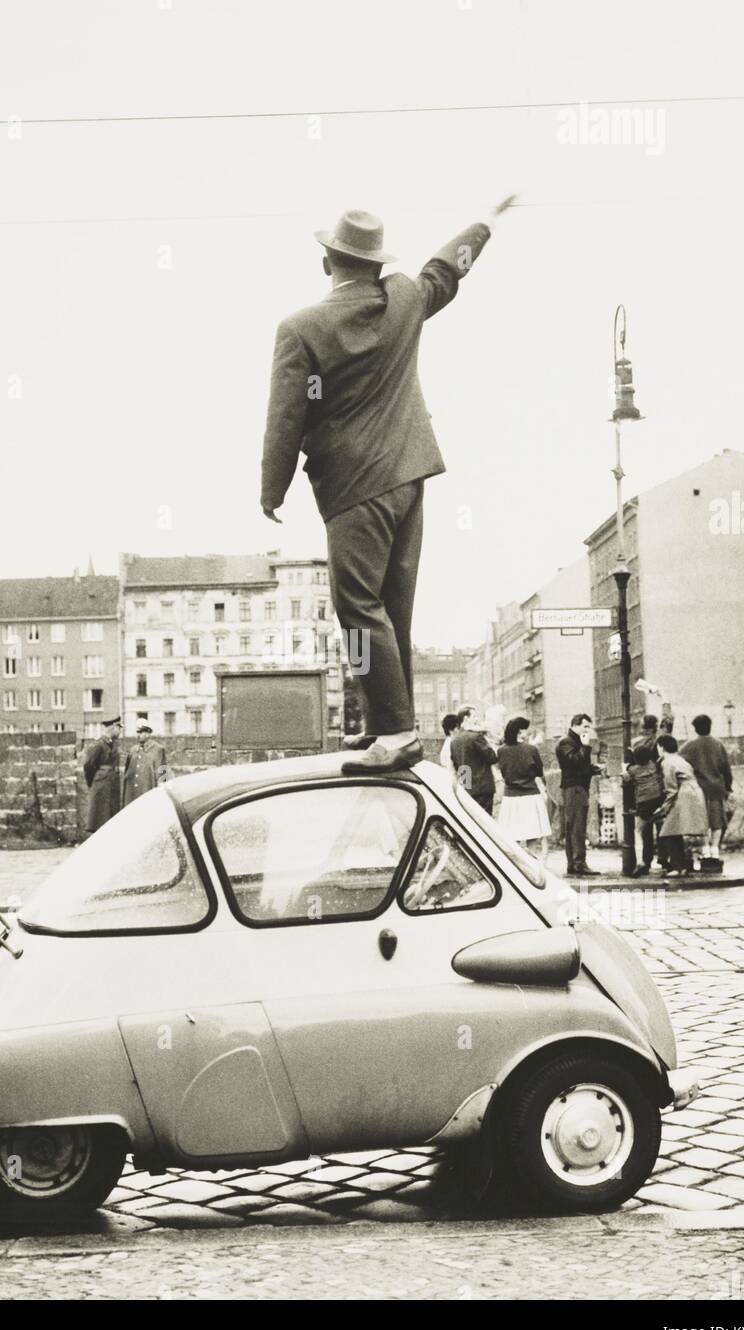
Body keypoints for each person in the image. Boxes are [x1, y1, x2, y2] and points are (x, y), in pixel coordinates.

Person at [260, 199, 516, 774]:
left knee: (356, 608)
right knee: (392, 604)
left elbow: (286, 416)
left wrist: (272, 490)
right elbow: (446, 270)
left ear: (328, 261)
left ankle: (396, 731)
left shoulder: (300, 328)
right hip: (410, 475)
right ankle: (385, 723)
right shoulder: (402, 300)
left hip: (353, 484)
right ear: (376, 265)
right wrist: (486, 224)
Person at [555, 713, 606, 877]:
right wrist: (585, 746)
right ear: (575, 725)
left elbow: (578, 766)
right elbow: (572, 761)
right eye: (585, 726)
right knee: (577, 827)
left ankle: (574, 864)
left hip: (576, 787)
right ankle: (579, 863)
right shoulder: (567, 742)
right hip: (575, 789)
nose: (588, 730)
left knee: (573, 827)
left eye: (588, 727)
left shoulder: (572, 741)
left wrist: (594, 769)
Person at [495, 716, 551, 859]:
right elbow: (539, 771)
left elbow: (502, 772)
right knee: (531, 834)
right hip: (530, 795)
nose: (527, 732)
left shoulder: (501, 750)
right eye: (525, 730)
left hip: (511, 798)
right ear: (520, 731)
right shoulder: (531, 749)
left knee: (512, 837)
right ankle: (532, 866)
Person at [681, 714, 733, 863]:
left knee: (702, 820)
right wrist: (728, 786)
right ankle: (715, 851)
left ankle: (705, 850)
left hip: (699, 788)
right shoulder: (718, 744)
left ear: (695, 728)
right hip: (717, 788)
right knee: (717, 821)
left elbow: (679, 762)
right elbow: (726, 769)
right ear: (710, 726)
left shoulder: (689, 745)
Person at [656, 734, 709, 875]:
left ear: (661, 748)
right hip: (693, 792)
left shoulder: (667, 763)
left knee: (667, 831)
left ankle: (677, 867)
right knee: (675, 830)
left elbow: (671, 789)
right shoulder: (680, 760)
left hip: (684, 794)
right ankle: (682, 866)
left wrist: (663, 808)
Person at [624, 714, 666, 877]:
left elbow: (627, 775)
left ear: (646, 728)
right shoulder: (658, 744)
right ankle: (664, 859)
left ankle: (644, 861)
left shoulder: (637, 744)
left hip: (642, 800)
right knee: (662, 829)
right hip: (659, 794)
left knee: (643, 830)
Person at [450, 707, 498, 816]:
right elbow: (493, 757)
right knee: (486, 822)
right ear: (466, 718)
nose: (477, 719)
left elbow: (457, 764)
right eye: (475, 716)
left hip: (467, 787)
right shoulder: (476, 737)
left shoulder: (454, 740)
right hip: (482, 787)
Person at [83, 716, 122, 834]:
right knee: (100, 816)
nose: (120, 731)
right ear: (113, 728)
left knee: (111, 815)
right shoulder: (98, 744)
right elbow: (88, 765)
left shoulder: (114, 744)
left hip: (113, 783)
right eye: (119, 728)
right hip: (101, 785)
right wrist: (94, 782)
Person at [121, 720, 169, 806]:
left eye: (140, 732)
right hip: (132, 796)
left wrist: (161, 794)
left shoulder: (158, 750)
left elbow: (162, 775)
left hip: (148, 794)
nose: (138, 735)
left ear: (148, 733)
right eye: (137, 732)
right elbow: (127, 775)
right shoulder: (133, 750)